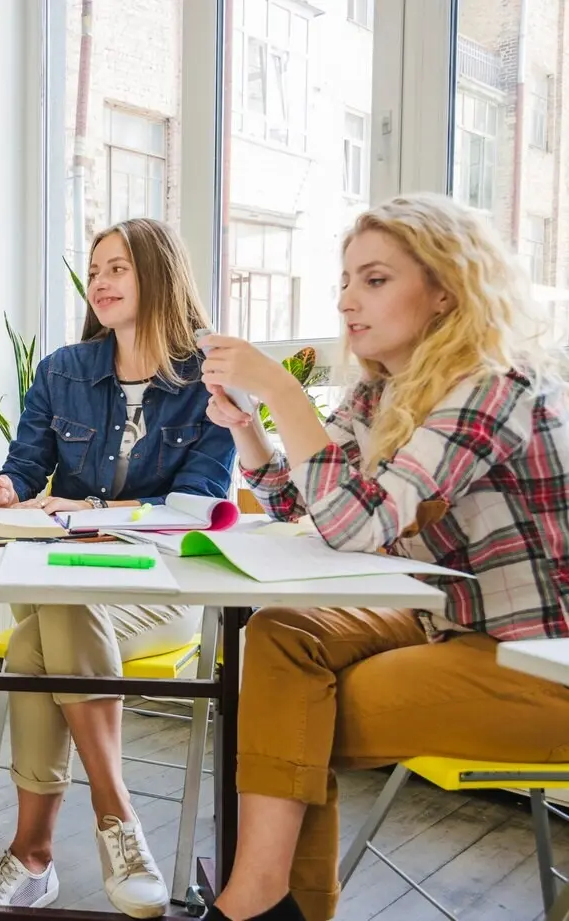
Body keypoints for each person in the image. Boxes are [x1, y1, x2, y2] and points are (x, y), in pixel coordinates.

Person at [198, 193, 569, 921]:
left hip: (544, 659)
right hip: (454, 622)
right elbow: (295, 499)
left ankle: (257, 906)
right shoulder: (384, 390)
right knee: (281, 634)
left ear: (444, 291)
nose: (345, 301)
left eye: (373, 279)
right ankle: (264, 897)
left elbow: (352, 520)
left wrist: (279, 386)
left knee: (293, 718)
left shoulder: (494, 386)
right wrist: (251, 428)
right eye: (344, 281)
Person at [0, 218, 236, 918]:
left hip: (160, 591)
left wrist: (87, 508)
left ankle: (32, 857)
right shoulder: (61, 371)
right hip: (69, 581)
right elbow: (25, 469)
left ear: (159, 275)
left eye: (119, 267)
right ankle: (120, 824)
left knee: (35, 639)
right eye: (95, 267)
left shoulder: (209, 380)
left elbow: (198, 506)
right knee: (64, 597)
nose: (102, 281)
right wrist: (5, 491)